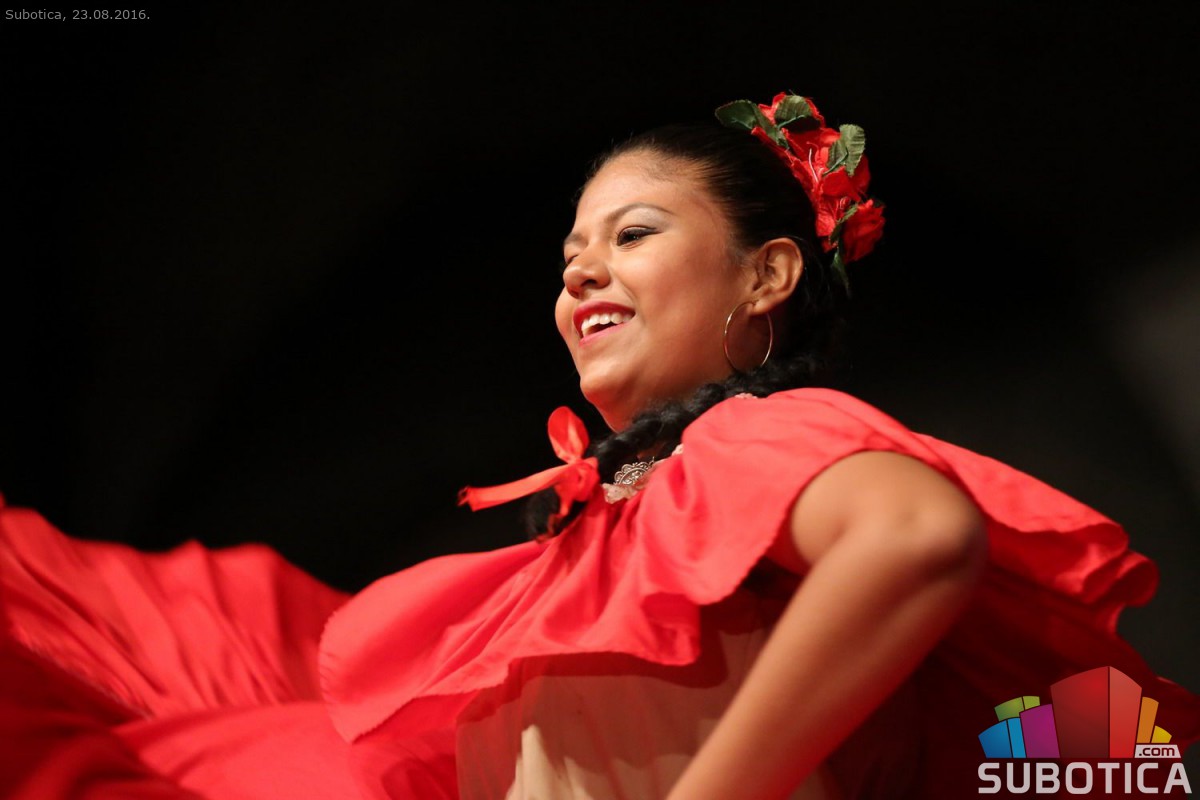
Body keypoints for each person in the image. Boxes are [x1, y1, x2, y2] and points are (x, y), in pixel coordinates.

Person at [0, 92, 1196, 800]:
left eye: (632, 234)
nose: (580, 272)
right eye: (571, 252)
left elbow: (917, 533)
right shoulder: (647, 498)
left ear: (767, 275)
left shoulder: (757, 432)